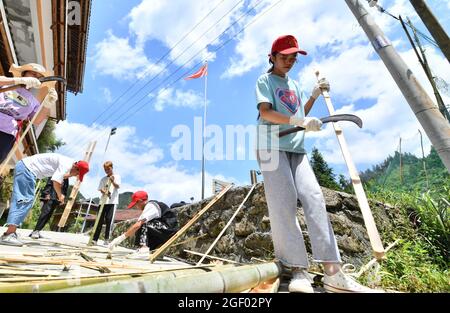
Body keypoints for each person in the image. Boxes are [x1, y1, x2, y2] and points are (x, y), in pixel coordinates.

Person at [255, 35, 375, 293]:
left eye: (292, 58)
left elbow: (301, 114)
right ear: (272, 57)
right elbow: (266, 112)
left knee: (314, 197)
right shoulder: (265, 80)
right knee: (284, 203)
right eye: (284, 57)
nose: (288, 61)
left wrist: (313, 95)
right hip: (271, 146)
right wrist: (298, 123)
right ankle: (298, 270)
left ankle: (334, 273)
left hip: (296, 148)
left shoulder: (295, 86)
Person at [0, 153, 89, 246]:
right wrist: (60, 195)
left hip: (25, 168)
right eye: (78, 173)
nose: (76, 176)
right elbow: (55, 182)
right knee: (24, 200)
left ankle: (11, 232)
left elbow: (62, 175)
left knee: (26, 200)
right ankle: (8, 235)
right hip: (27, 170)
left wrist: (71, 174)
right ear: (76, 167)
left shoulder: (67, 162)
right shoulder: (66, 164)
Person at [0, 63, 58, 163]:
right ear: (24, 73)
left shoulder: (33, 101)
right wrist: (19, 81)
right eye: (33, 74)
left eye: (39, 77)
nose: (36, 78)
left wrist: (47, 104)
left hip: (7, 133)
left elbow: (36, 121)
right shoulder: (7, 83)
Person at [108, 191, 178, 252]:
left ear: (140, 201)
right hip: (163, 230)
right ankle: (148, 249)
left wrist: (120, 239)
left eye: (136, 204)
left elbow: (138, 225)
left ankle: (143, 249)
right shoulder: (149, 208)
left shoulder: (151, 205)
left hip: (169, 230)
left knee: (142, 224)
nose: (136, 207)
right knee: (146, 226)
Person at [91, 161, 121, 245]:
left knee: (109, 219)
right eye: (105, 169)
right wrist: (104, 191)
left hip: (112, 201)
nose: (107, 170)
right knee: (99, 220)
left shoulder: (117, 176)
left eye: (108, 169)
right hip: (103, 202)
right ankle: (95, 239)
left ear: (112, 167)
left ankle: (107, 239)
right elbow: (100, 189)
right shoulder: (103, 179)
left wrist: (113, 181)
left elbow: (118, 186)